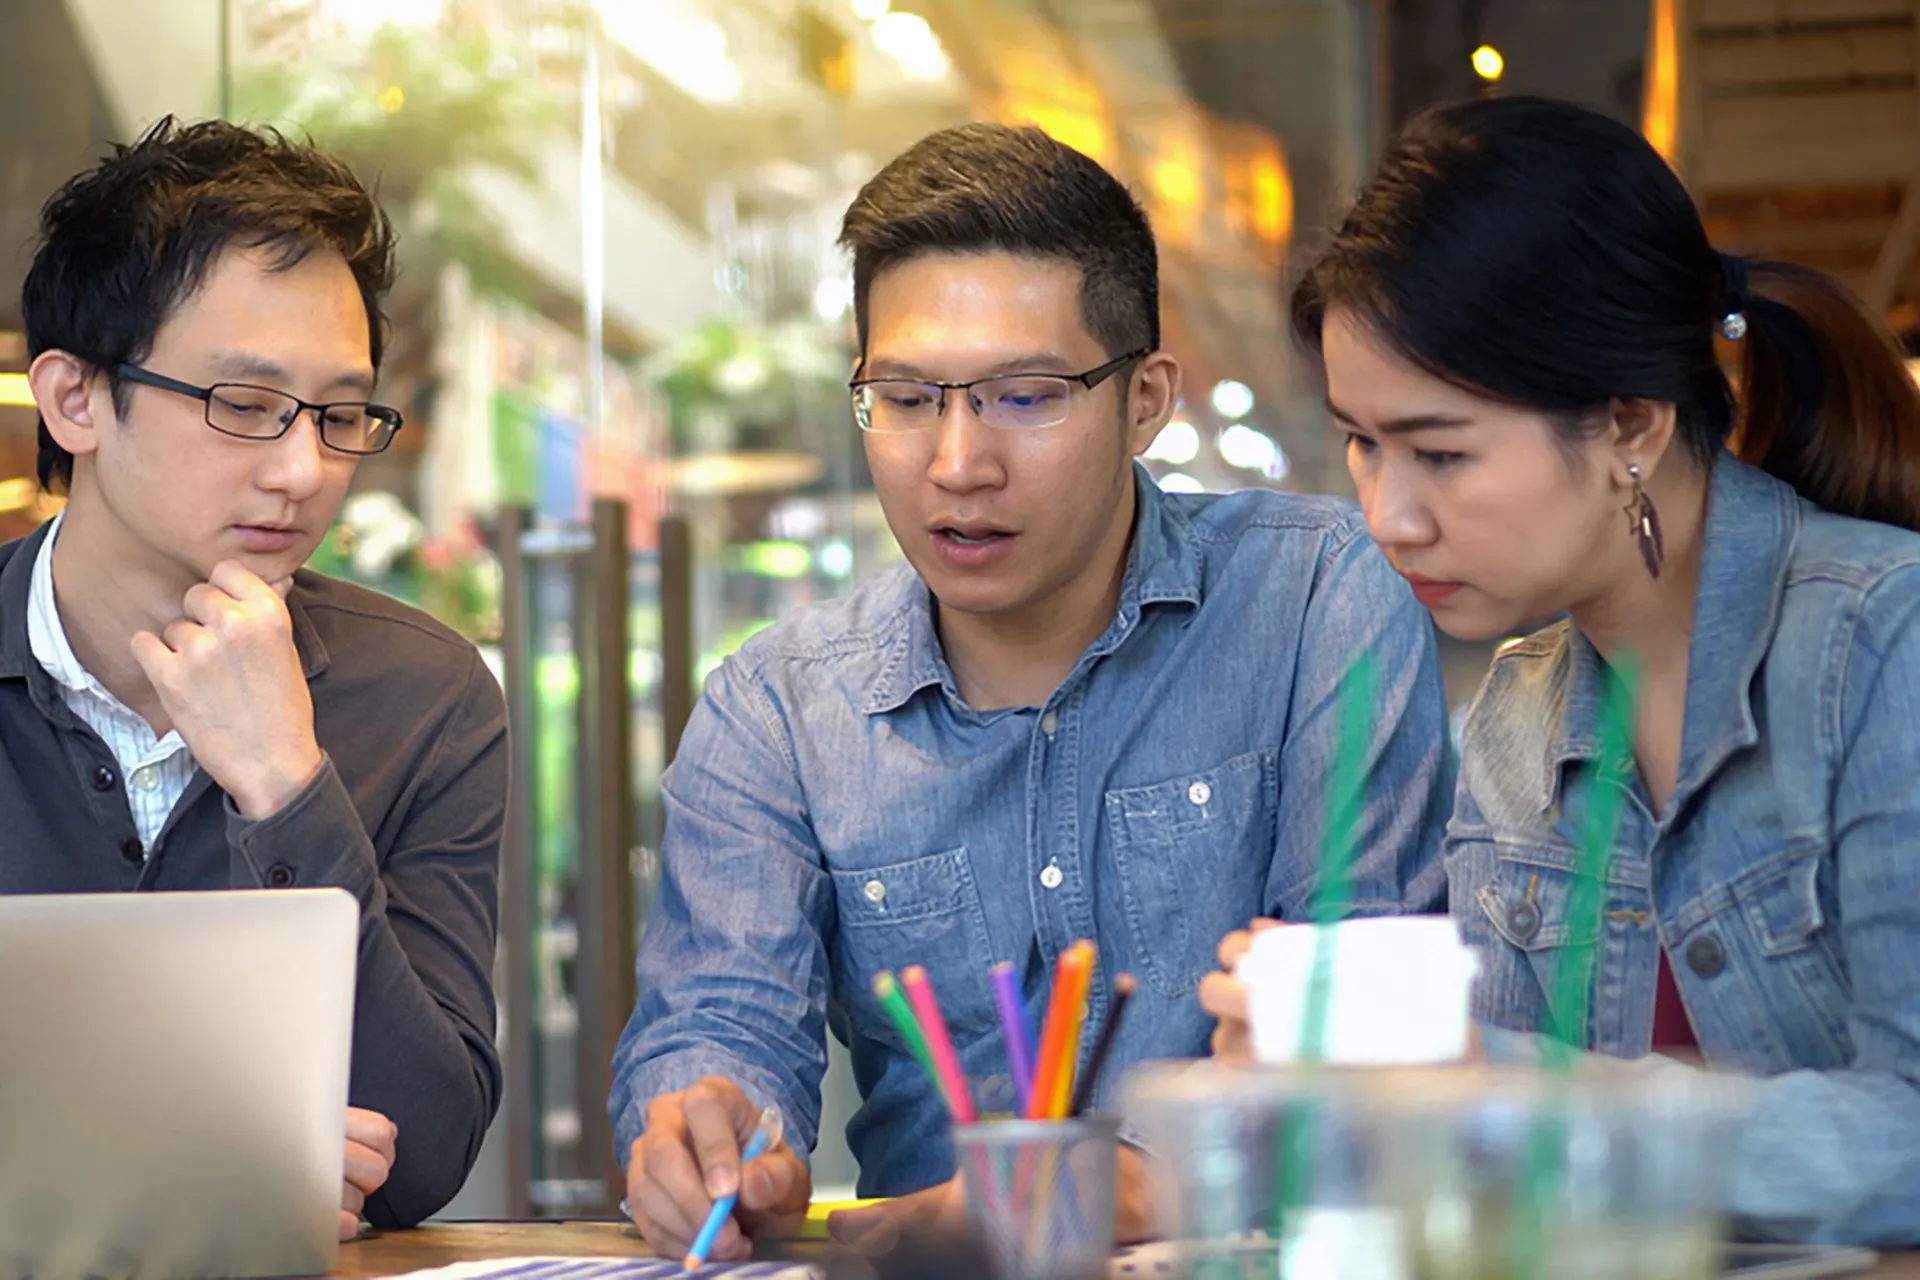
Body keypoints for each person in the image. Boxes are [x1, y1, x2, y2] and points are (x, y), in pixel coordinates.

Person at [611, 121, 1455, 1262]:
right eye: (906, 398)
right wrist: (708, 1131)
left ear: (1146, 398)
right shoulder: (780, 707)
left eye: (1024, 395)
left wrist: (1141, 1187)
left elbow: (1359, 1013)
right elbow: (721, 1018)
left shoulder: (1317, 600)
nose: (958, 463)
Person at [1203, 94, 1920, 1245]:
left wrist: (1495, 1085)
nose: (1387, 515)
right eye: (1361, 439)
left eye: (1440, 450)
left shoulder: (1886, 644)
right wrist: (1336, 1089)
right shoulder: (1515, 716)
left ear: (1630, 426)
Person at [1, 118, 506, 1236]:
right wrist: (181, 1161)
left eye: (338, 414)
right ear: (75, 398)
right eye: (241, 404)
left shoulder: (426, 694)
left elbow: (421, 1153)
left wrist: (286, 783)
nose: (302, 469)